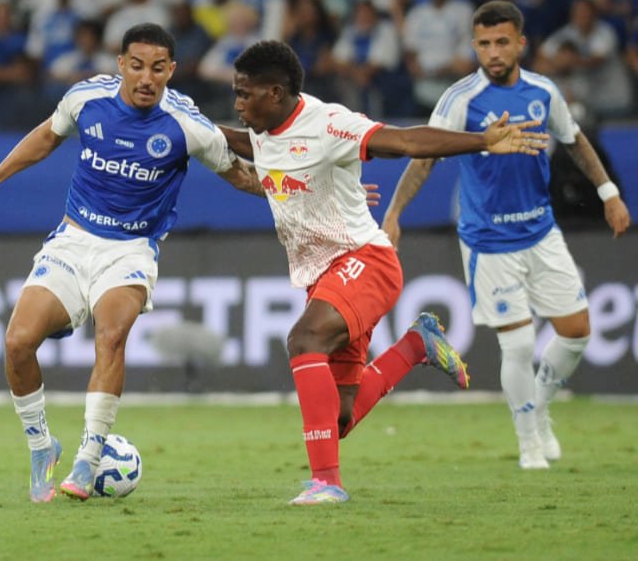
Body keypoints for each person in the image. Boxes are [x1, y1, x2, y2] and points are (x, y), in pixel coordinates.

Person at [220, 39, 548, 505]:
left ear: (275, 93)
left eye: (243, 94)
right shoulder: (263, 129)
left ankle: (326, 484)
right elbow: (236, 141)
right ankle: (416, 345)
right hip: (323, 276)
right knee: (338, 418)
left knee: (304, 340)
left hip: (366, 262)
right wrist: (182, 125)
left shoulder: (328, 123)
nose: (237, 104)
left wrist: (482, 141)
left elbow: (405, 141)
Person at [0, 23, 266, 503]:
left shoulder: (187, 125)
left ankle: (88, 456)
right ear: (121, 64)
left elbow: (242, 176)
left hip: (131, 249)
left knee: (112, 334)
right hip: (73, 242)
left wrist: (305, 190)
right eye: (137, 66)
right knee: (17, 342)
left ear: (171, 70)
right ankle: (42, 447)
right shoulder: (87, 99)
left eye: (158, 68)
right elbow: (46, 136)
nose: (147, 78)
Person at [382, 0, 631, 470]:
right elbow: (424, 156)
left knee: (577, 334)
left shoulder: (543, 91)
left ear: (520, 43)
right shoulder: (461, 98)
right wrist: (394, 213)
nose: (493, 52)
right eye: (484, 44)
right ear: (474, 46)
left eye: (501, 42)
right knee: (517, 344)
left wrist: (608, 192)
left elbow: (575, 139)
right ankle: (529, 442)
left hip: (541, 231)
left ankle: (540, 406)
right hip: (488, 240)